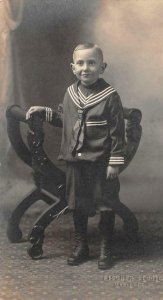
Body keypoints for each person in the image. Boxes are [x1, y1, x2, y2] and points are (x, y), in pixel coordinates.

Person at [26, 43, 136, 269]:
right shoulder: (70, 93)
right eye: (80, 63)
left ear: (102, 67)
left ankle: (106, 248)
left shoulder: (110, 96)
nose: (86, 68)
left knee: (106, 203)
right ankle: (82, 245)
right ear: (73, 67)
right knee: (78, 203)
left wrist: (114, 162)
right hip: (76, 163)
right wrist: (43, 112)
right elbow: (65, 120)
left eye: (92, 63)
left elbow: (117, 133)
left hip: (101, 163)